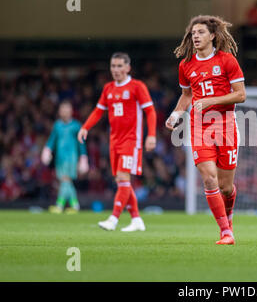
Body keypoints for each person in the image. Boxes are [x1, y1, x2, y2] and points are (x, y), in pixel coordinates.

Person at [166, 15, 246, 245]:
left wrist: (211, 101)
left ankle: (228, 220)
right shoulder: (186, 65)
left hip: (226, 125)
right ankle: (225, 232)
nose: (196, 37)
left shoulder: (227, 60)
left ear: (212, 36)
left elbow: (241, 95)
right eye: (193, 33)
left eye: (200, 32)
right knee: (209, 180)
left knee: (226, 187)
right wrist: (175, 115)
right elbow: (187, 95)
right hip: (199, 126)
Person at [77, 52, 157, 232]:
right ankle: (136, 219)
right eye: (113, 66)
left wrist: (151, 135)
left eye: (120, 66)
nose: (116, 70)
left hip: (131, 139)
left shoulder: (137, 86)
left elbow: (150, 111)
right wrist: (85, 127)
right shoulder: (108, 89)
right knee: (123, 182)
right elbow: (98, 111)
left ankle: (113, 219)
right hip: (114, 141)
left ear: (128, 68)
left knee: (123, 177)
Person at [41, 100, 89, 214]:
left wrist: (83, 157)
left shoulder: (76, 125)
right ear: (59, 111)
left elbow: (81, 143)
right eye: (62, 110)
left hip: (71, 157)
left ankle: (59, 204)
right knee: (66, 182)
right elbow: (52, 139)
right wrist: (47, 150)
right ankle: (74, 205)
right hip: (59, 158)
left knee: (65, 180)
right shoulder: (57, 125)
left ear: (71, 111)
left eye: (67, 110)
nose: (64, 112)